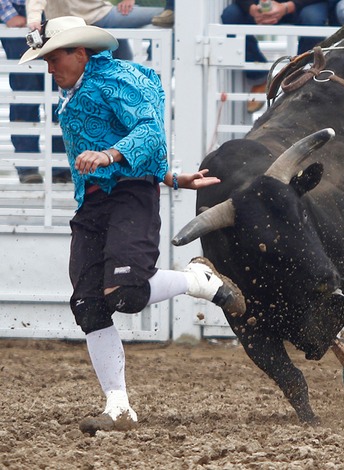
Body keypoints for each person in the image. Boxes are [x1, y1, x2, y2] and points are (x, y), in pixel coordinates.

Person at [19, 15, 246, 435]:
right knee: (89, 304)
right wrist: (171, 177)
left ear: (80, 52)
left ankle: (199, 280)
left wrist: (109, 156)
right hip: (93, 201)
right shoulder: (75, 89)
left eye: (53, 59)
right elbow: (138, 141)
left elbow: (149, 132)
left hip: (129, 194)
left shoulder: (118, 78)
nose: (49, 69)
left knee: (124, 292)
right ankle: (119, 408)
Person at [0, 0, 70, 183]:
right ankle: (27, 165)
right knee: (26, 89)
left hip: (56, 11)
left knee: (60, 86)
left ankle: (61, 165)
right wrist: (7, 13)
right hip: (20, 13)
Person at [221, 0, 332, 113]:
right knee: (231, 15)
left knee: (313, 19)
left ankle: (300, 78)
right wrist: (251, 8)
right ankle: (259, 78)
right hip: (263, 5)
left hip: (304, 4)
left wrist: (287, 7)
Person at [26, 0, 164, 60]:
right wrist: (34, 20)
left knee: (125, 62)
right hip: (74, 26)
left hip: (101, 15)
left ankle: (155, 76)